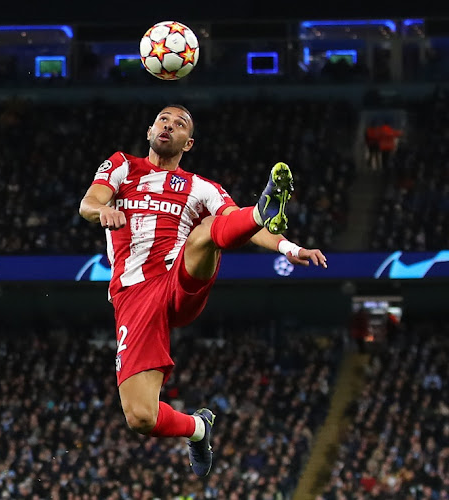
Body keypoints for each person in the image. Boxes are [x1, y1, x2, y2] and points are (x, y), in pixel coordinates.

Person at [78, 104, 327, 477]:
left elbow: (234, 220)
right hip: (134, 297)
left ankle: (264, 207)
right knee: (140, 416)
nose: (169, 126)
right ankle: (198, 428)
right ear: (150, 131)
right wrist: (103, 213)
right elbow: (88, 203)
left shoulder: (200, 187)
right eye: (163, 120)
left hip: (180, 280)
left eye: (179, 125)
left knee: (207, 231)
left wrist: (289, 247)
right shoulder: (121, 165)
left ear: (188, 143)